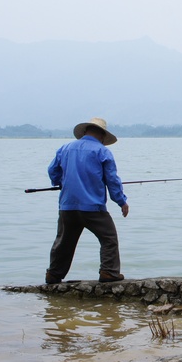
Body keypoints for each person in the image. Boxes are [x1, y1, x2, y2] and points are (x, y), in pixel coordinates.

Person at [46, 117, 129, 284]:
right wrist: (122, 202)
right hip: (93, 207)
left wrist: (59, 182)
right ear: (102, 135)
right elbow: (112, 181)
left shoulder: (66, 148)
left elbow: (52, 170)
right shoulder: (102, 151)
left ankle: (54, 274)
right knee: (108, 238)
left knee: (64, 241)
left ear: (84, 132)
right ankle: (108, 272)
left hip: (67, 205)